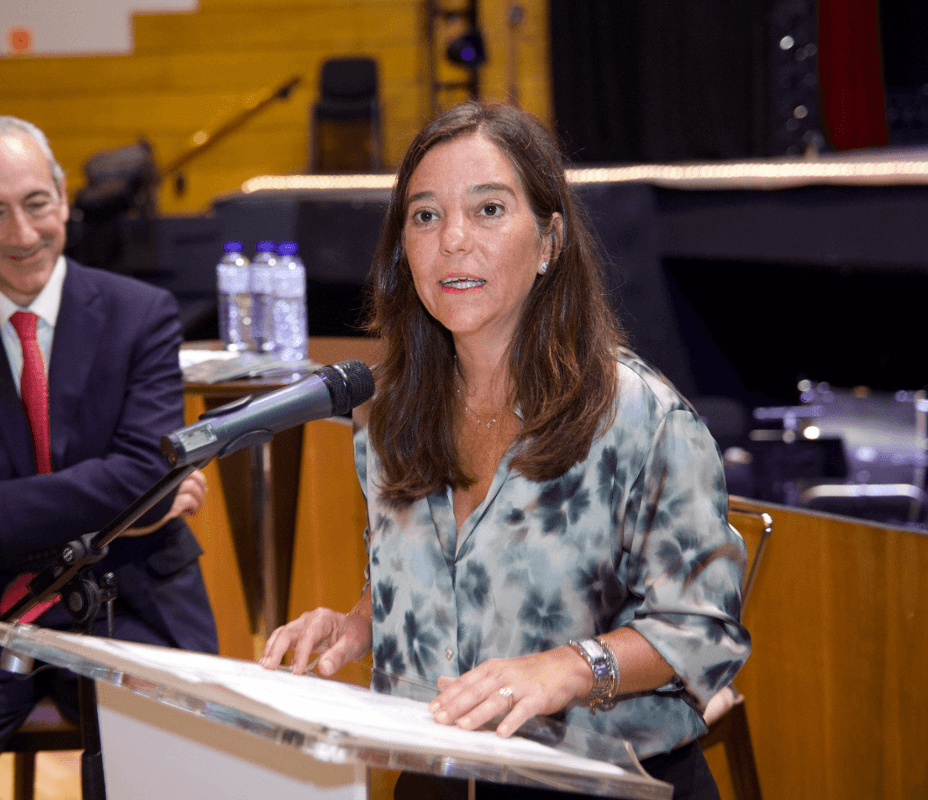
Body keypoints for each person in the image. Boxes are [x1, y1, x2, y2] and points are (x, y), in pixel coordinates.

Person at [260, 101, 750, 799]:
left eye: (488, 210)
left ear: (550, 239)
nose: (453, 240)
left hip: (607, 778)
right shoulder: (391, 415)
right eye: (425, 216)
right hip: (436, 772)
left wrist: (567, 668)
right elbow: (427, 577)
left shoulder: (642, 416)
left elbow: (705, 634)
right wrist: (355, 626)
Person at [0, 116, 218, 800]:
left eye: (35, 204)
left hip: (134, 587)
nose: (23, 235)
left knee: (168, 775)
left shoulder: (143, 314)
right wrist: (127, 510)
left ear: (62, 195)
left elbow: (145, 470)